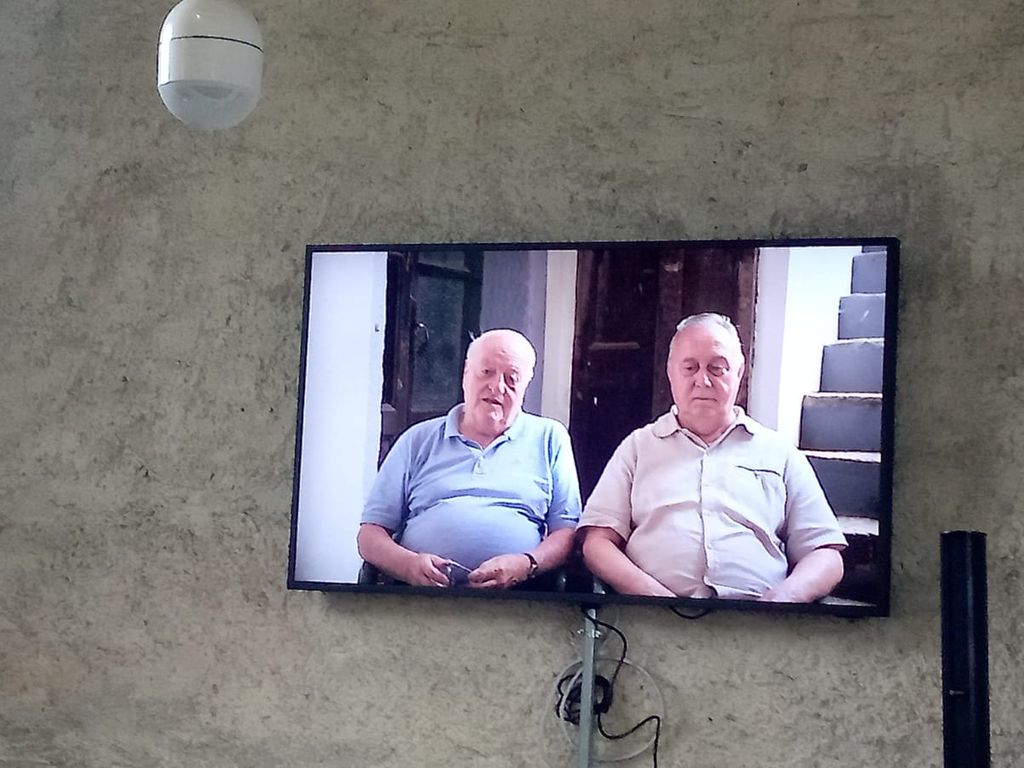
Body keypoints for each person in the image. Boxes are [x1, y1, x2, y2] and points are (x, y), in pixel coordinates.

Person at [578, 313, 846, 603]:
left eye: (717, 368)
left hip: (758, 618)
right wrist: (654, 598)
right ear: (670, 372)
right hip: (653, 615)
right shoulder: (638, 447)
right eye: (689, 367)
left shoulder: (779, 452)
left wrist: (783, 600)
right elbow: (597, 543)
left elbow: (825, 554)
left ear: (739, 373)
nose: (702, 380)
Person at [357, 328, 581, 589]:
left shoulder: (549, 438)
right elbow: (370, 535)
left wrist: (526, 563)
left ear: (526, 386)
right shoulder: (418, 439)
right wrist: (407, 565)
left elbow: (567, 533)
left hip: (519, 599)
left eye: (512, 378)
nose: (497, 387)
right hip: (419, 599)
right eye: (486, 372)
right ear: (465, 373)